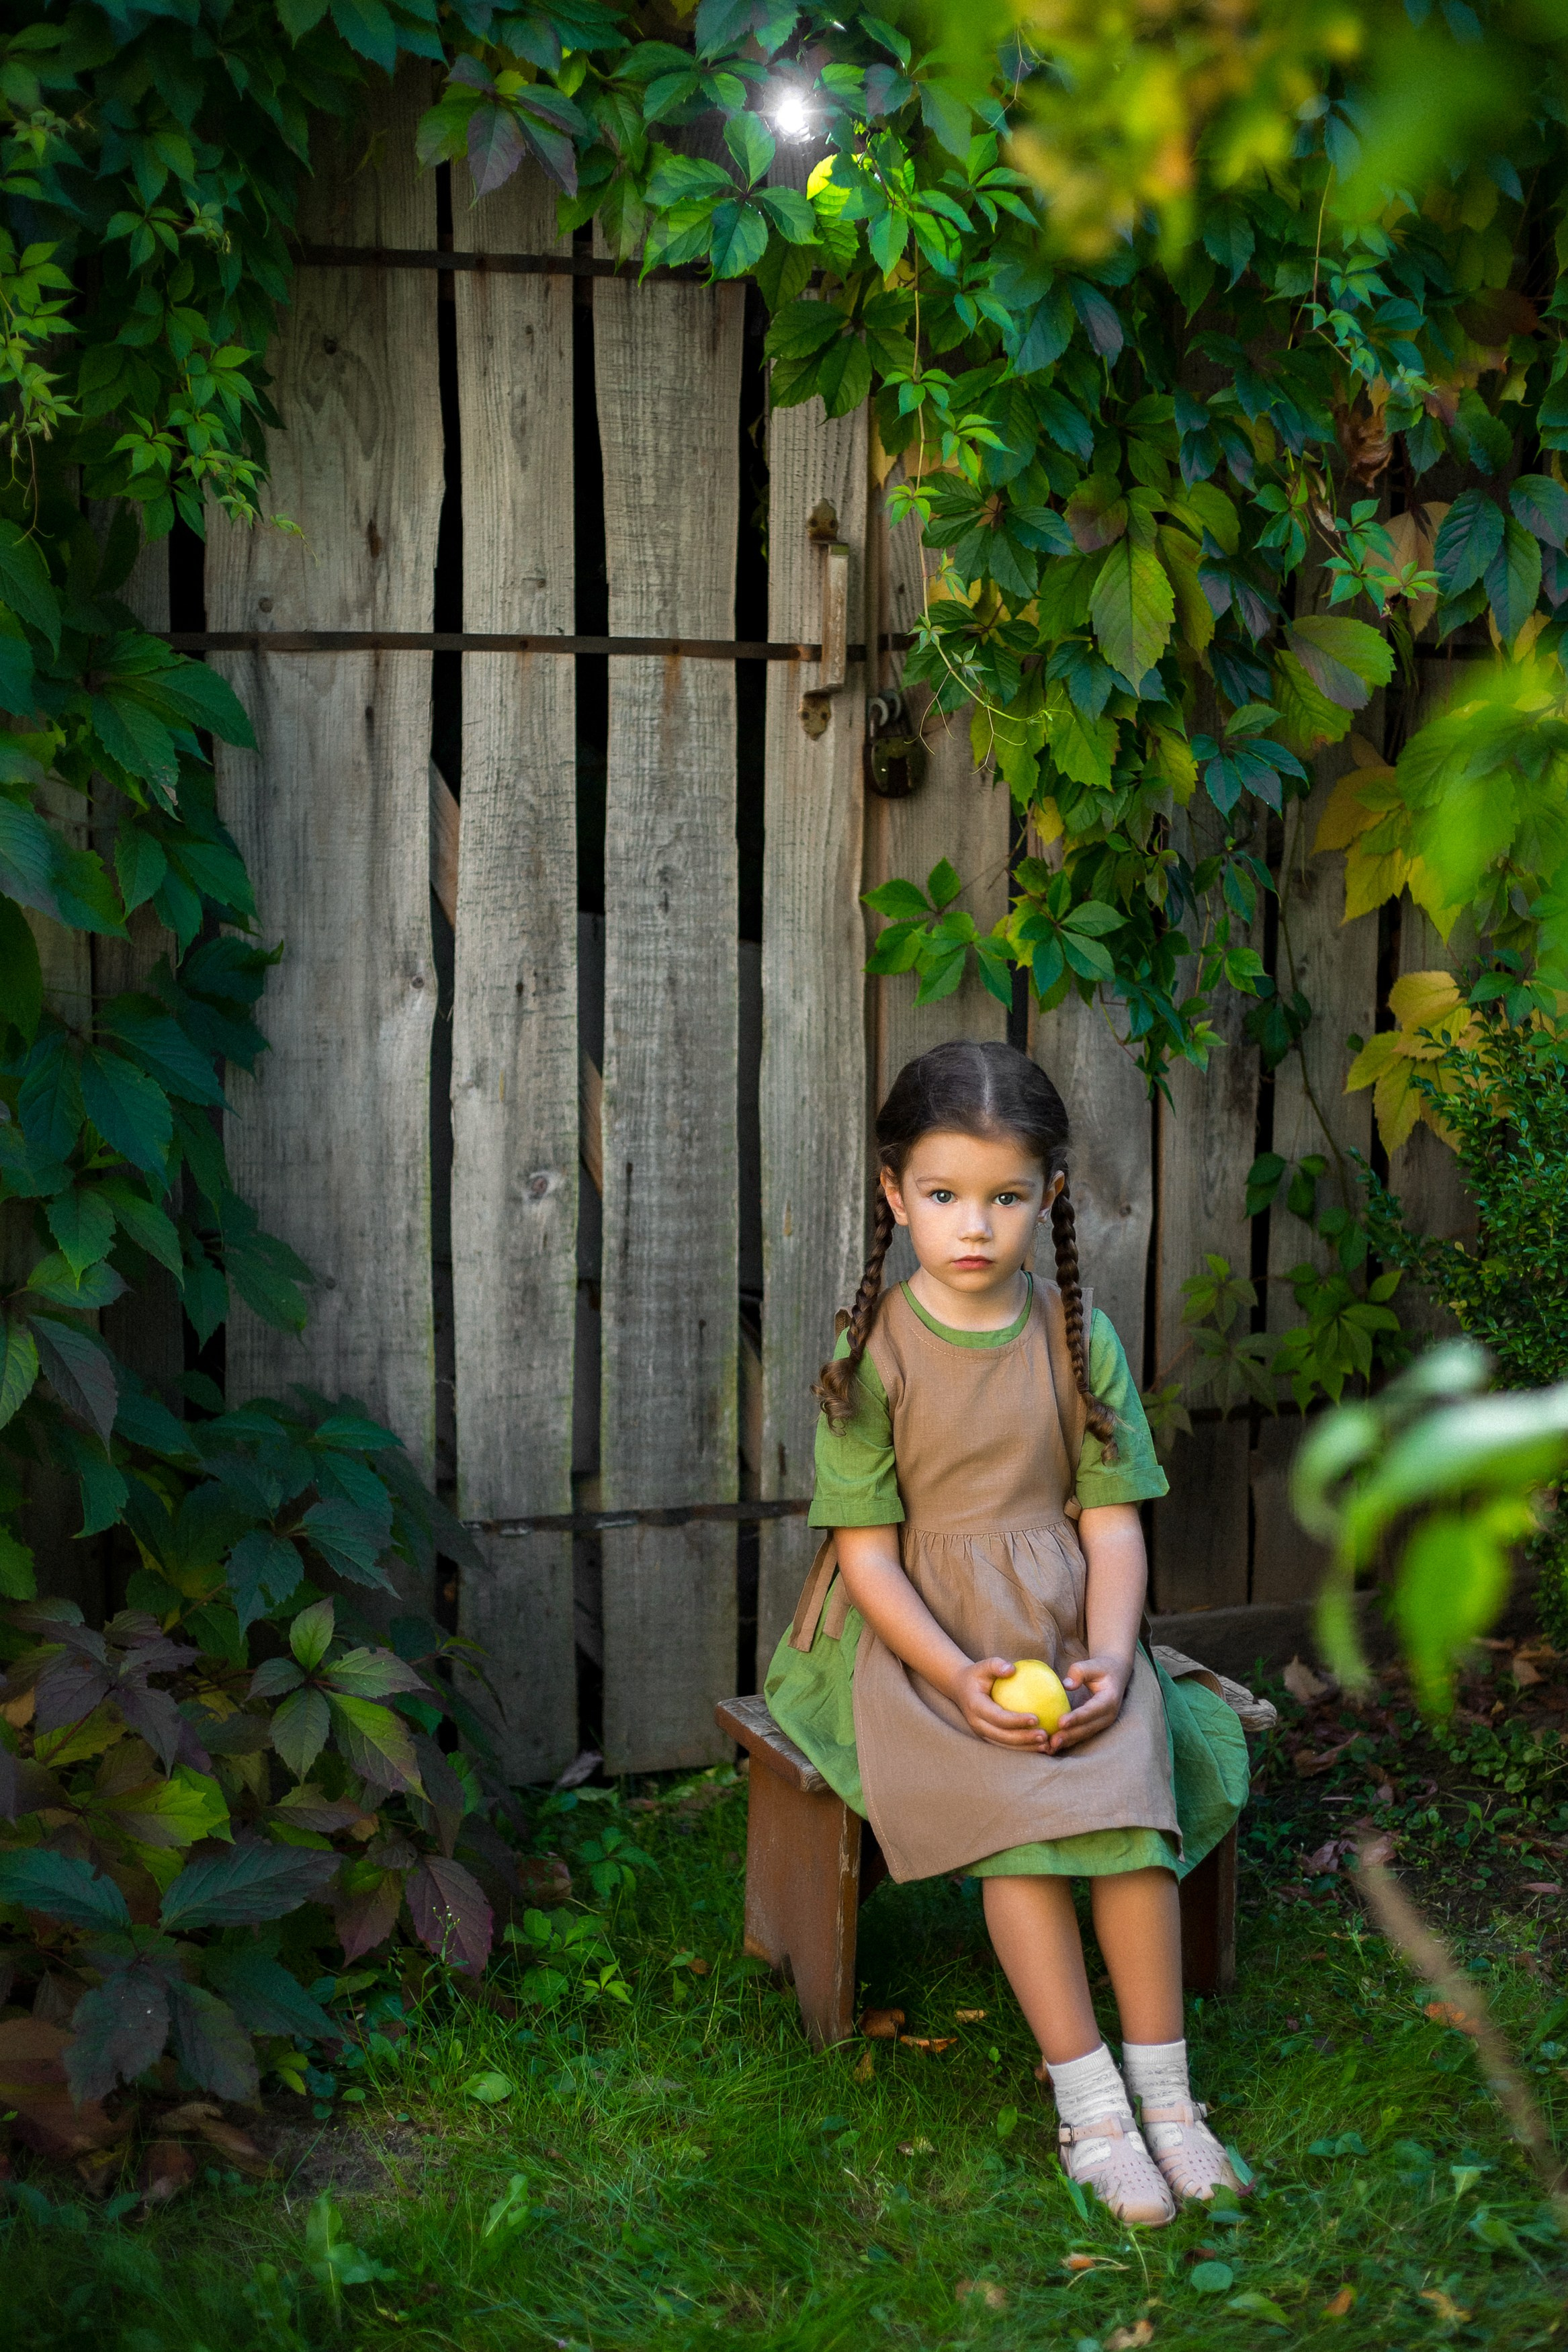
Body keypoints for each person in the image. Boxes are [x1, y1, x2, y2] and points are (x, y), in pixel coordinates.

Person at [764, 1039, 1250, 2226]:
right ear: (894, 1195)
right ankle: (1089, 2106)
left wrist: (1108, 1652)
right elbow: (867, 1559)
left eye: (1004, 1198)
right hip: (911, 1636)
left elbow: (1115, 1523)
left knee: (1129, 1811)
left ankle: (1169, 2099)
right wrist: (958, 1675)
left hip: (1066, 1616)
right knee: (1024, 1835)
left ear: (1049, 1198)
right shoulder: (867, 1355)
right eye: (941, 1196)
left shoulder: (1077, 1338)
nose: (971, 1226)